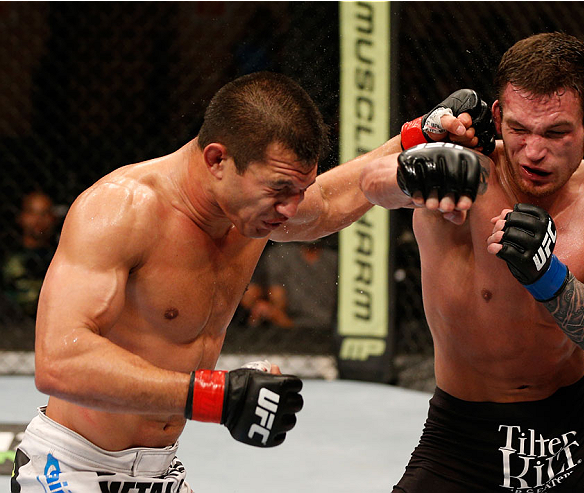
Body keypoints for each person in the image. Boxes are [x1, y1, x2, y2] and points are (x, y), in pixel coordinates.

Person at [11, 71, 417, 492]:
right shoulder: (122, 209)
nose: (291, 207)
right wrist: (217, 395)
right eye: (280, 189)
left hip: (161, 473)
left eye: (301, 189)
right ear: (217, 160)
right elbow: (60, 362)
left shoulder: (250, 210)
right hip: (72, 470)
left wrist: (413, 139)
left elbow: (329, 201)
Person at [360, 33, 584, 492]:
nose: (534, 151)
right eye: (519, 129)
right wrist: (417, 168)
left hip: (578, 430)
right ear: (496, 116)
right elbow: (371, 183)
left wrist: (549, 278)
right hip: (463, 438)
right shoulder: (467, 169)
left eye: (556, 132)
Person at [245, 239, 338, 331]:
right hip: (291, 321)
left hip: (325, 325)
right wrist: (265, 309)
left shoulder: (334, 258)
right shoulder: (280, 253)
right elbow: (275, 296)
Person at [2, 191, 58, 319]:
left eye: (44, 213)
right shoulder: (7, 256)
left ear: (53, 218)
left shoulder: (61, 257)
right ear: (21, 217)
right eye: (32, 212)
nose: (38, 220)